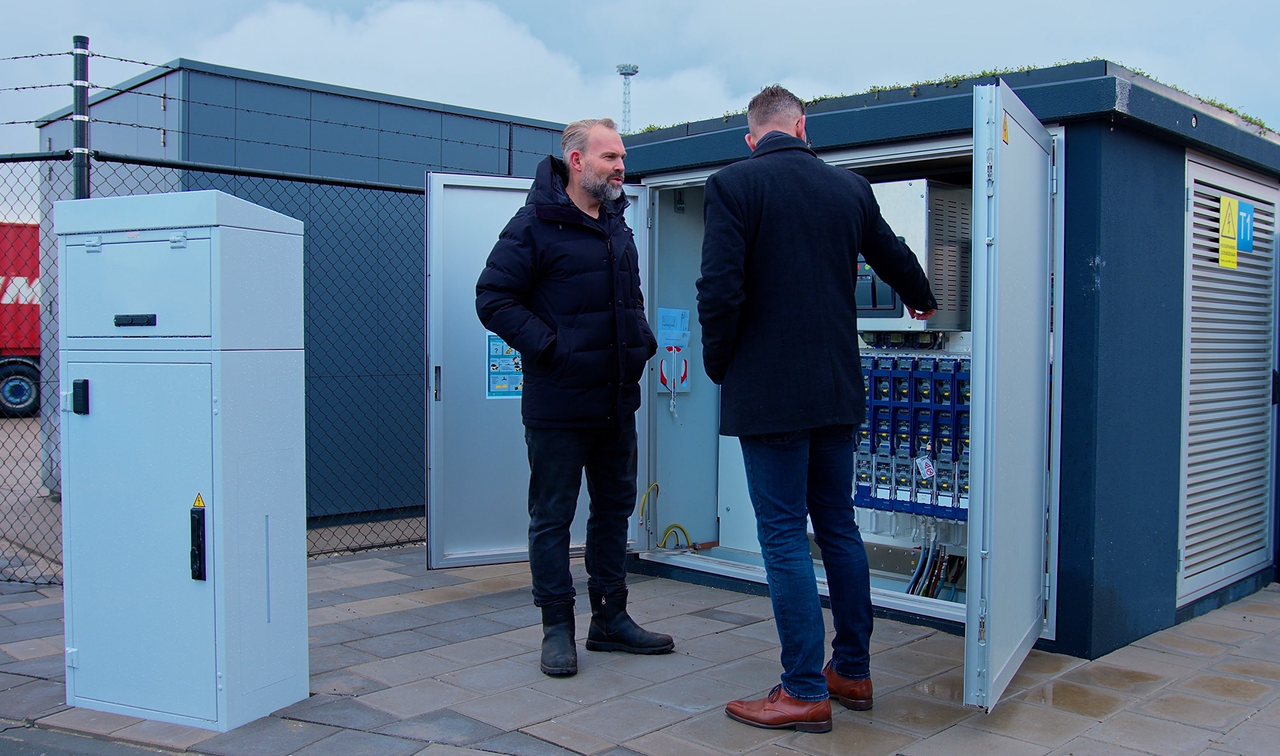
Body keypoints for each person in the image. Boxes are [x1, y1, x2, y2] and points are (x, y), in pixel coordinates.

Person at [698, 86, 937, 733]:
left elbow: (718, 290)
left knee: (781, 534)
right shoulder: (849, 190)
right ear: (803, 127)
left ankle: (804, 689)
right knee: (837, 526)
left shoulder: (733, 185)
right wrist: (923, 298)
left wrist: (720, 364)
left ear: (753, 138)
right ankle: (851, 671)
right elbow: (895, 257)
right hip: (835, 390)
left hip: (768, 394)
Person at [476, 118, 674, 678]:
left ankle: (610, 620)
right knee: (553, 517)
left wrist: (641, 345)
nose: (620, 167)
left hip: (616, 399)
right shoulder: (535, 223)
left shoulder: (617, 225)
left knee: (614, 510)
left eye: (622, 157)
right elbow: (492, 297)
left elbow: (629, 300)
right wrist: (551, 348)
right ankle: (556, 629)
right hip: (558, 402)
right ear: (576, 161)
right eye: (610, 156)